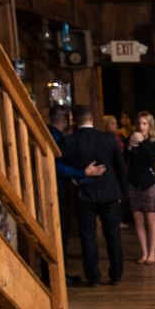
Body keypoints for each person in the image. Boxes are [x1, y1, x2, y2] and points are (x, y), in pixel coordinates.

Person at [58, 104, 128, 287]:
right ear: (91, 119)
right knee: (113, 235)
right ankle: (116, 276)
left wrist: (79, 173)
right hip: (110, 193)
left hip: (84, 194)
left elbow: (55, 166)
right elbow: (121, 168)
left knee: (88, 237)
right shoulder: (108, 138)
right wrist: (120, 192)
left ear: (74, 121)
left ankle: (93, 278)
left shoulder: (68, 141)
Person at [47, 105, 104, 286]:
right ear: (65, 120)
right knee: (58, 233)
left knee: (59, 233)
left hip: (59, 189)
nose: (72, 123)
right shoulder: (55, 138)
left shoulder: (54, 135)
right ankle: (56, 276)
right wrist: (81, 173)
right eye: (70, 120)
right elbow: (53, 166)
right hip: (56, 189)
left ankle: (58, 274)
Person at [126, 111, 155, 264]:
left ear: (150, 125)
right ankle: (144, 252)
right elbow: (124, 160)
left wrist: (143, 142)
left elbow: (151, 159)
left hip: (148, 183)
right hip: (133, 183)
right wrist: (129, 146)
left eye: (144, 123)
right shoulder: (132, 138)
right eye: (139, 123)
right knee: (138, 221)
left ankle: (152, 253)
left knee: (151, 220)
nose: (141, 126)